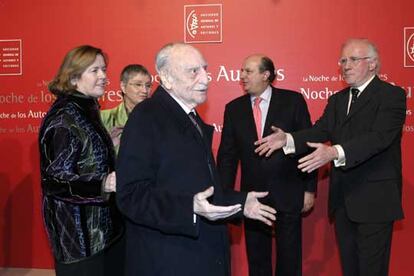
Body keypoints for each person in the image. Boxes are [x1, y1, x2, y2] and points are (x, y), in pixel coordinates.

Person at [116, 42, 277, 276]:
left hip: (200, 255)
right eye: (194, 71)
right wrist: (189, 207)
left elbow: (202, 190)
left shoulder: (189, 117)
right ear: (167, 79)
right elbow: (130, 195)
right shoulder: (146, 117)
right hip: (169, 259)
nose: (206, 78)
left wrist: (241, 202)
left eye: (205, 69)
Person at [255, 38, 406, 276]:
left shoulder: (392, 95)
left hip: (375, 201)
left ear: (373, 64)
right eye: (343, 60)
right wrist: (289, 139)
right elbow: (320, 130)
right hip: (343, 200)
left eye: (353, 59)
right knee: (350, 269)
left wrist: (334, 152)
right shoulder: (338, 100)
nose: (346, 65)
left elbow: (379, 138)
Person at [217, 54, 317, 276]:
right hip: (253, 197)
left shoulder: (293, 101)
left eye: (248, 71)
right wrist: (223, 194)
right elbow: (227, 157)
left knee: (290, 260)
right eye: (242, 71)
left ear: (266, 75)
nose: (242, 76)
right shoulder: (233, 108)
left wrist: (309, 189)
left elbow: (308, 146)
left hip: (289, 191)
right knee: (257, 260)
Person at [38, 45, 124, 276]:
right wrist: (102, 184)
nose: (104, 76)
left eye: (104, 70)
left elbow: (82, 161)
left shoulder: (85, 110)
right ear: (74, 78)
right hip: (79, 240)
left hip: (102, 233)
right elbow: (55, 181)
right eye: (94, 70)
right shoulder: (64, 118)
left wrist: (109, 147)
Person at [100, 64, 152, 153]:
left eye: (148, 85)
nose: (144, 90)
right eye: (138, 84)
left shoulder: (158, 118)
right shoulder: (103, 118)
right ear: (123, 87)